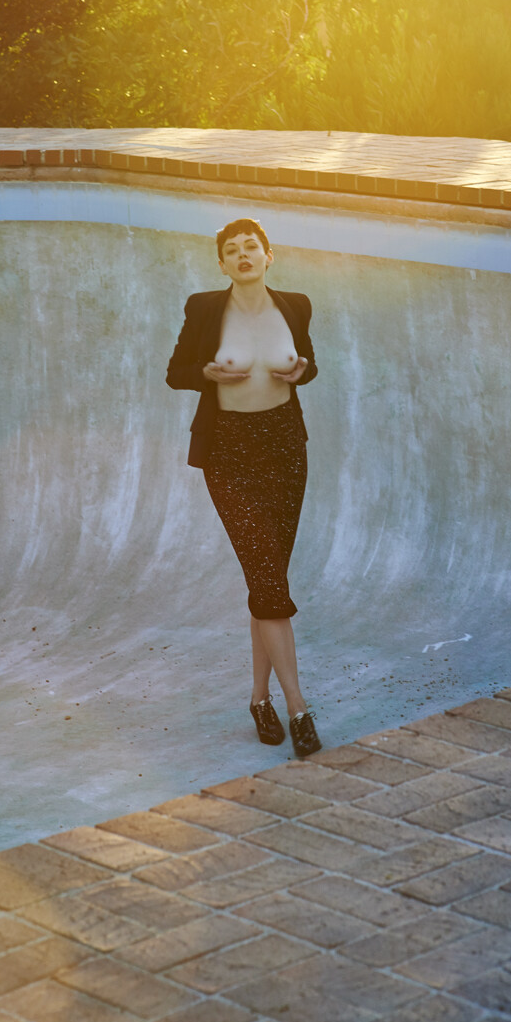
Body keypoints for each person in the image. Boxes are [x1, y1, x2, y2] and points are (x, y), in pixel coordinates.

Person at [166, 217, 321, 758]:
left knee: (267, 580)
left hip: (285, 448)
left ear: (268, 255)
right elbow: (176, 372)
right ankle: (299, 708)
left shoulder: (295, 305)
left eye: (251, 246)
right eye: (231, 250)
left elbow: (309, 363)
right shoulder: (204, 308)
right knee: (268, 580)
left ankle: (259, 699)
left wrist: (302, 371)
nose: (243, 255)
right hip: (229, 452)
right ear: (222, 264)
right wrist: (207, 374)